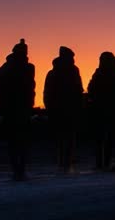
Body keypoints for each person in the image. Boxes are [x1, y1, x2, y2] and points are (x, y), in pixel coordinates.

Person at [0, 39, 35, 181]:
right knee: (16, 141)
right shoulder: (9, 69)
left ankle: (19, 169)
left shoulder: (27, 68)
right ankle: (17, 169)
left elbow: (31, 88)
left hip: (21, 108)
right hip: (13, 108)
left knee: (19, 141)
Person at [87, 52, 115, 171]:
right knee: (110, 138)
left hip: (111, 110)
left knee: (109, 138)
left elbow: (91, 88)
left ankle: (107, 163)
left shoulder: (105, 73)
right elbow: (91, 88)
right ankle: (108, 162)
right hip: (110, 110)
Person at [43, 46, 83, 174]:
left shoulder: (72, 71)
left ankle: (66, 161)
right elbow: (48, 92)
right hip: (61, 109)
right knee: (64, 136)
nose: (72, 59)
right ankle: (64, 161)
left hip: (68, 109)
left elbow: (78, 90)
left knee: (66, 136)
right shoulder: (56, 73)